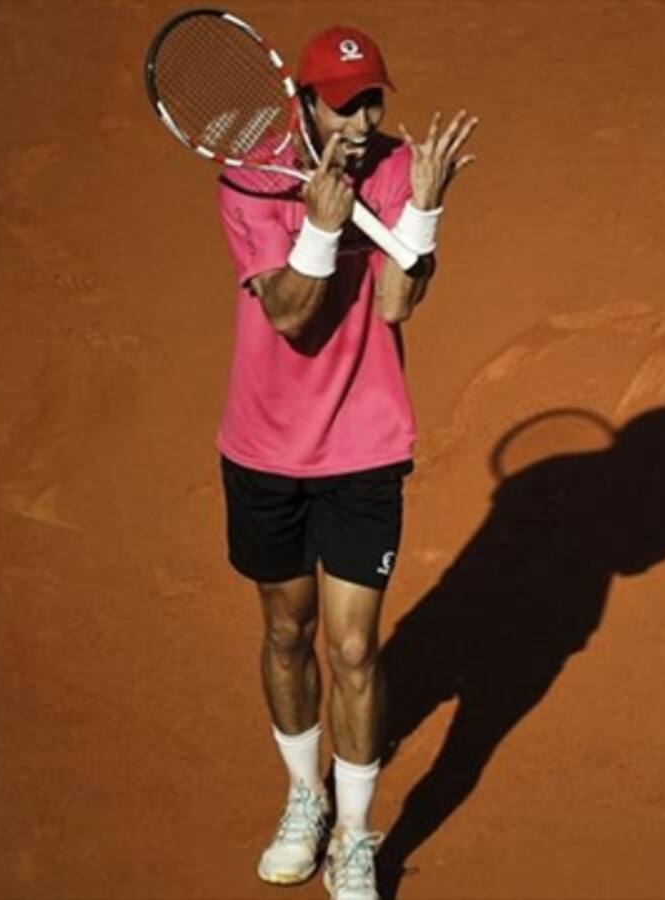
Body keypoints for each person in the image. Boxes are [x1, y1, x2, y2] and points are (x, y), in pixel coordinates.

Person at [213, 22, 478, 900]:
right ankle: (305, 798)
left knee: (354, 649)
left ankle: (355, 838)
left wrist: (426, 210)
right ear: (304, 104)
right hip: (263, 448)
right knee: (286, 635)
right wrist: (320, 229)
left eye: (372, 99)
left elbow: (398, 299)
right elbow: (290, 315)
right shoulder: (250, 176)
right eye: (342, 104)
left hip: (363, 448)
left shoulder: (396, 168)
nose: (362, 119)